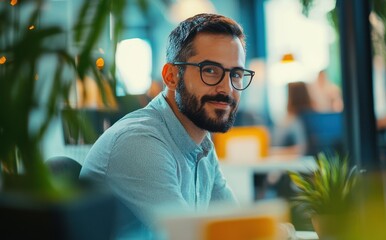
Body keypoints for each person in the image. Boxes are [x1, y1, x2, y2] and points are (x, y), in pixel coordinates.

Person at [79, 13, 255, 235]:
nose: (227, 89)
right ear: (171, 76)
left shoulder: (201, 143)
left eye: (236, 74)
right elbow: (189, 236)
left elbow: (235, 226)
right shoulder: (139, 142)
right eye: (210, 70)